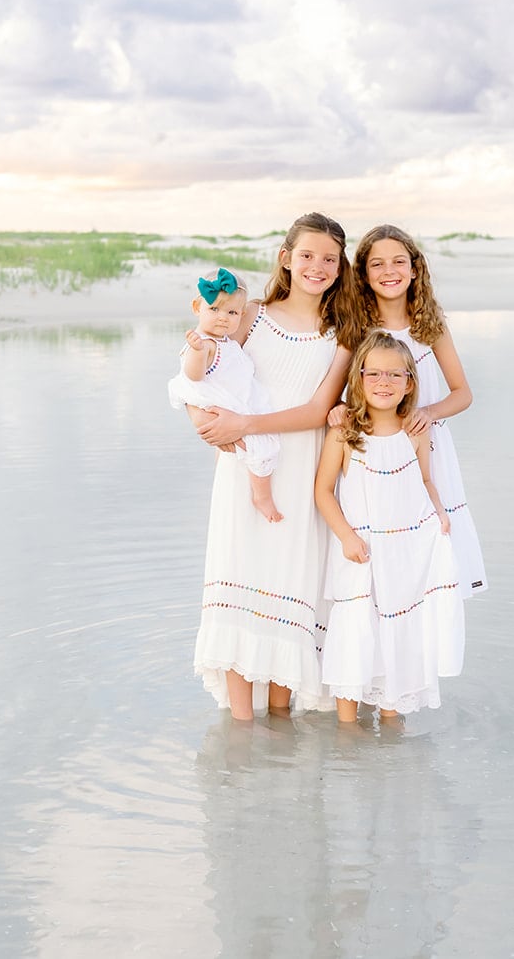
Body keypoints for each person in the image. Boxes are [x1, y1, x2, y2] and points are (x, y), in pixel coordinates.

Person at [190, 213, 354, 720]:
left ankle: (280, 720)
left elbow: (314, 410)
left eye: (329, 259)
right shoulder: (251, 315)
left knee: (290, 581)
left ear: (340, 267)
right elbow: (206, 377)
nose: (317, 267)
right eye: (307, 255)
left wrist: (245, 423)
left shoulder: (342, 332)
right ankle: (242, 725)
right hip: (246, 469)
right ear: (285, 257)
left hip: (301, 465)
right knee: (239, 576)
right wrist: (209, 426)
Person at [337, 224, 488, 600]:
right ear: (364, 274)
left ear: (415, 269)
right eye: (377, 264)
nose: (390, 271)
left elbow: (463, 393)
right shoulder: (358, 328)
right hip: (374, 452)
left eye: (399, 262)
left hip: (426, 446)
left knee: (431, 542)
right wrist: (338, 410)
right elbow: (342, 392)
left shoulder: (429, 326)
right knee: (381, 549)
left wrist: (430, 412)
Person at [315, 330, 460, 721]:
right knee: (355, 635)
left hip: (402, 554)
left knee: (398, 635)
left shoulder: (415, 430)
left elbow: (425, 482)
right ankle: (348, 737)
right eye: (374, 374)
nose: (384, 382)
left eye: (396, 375)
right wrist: (346, 537)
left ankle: (392, 741)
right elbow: (323, 491)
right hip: (358, 552)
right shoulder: (344, 432)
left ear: (410, 382)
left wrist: (440, 513)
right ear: (358, 379)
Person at [169, 267, 283, 522]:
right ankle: (262, 497)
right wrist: (196, 351)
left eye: (231, 312)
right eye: (214, 309)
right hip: (222, 406)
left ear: (241, 316)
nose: (223, 318)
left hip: (238, 404)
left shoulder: (226, 342)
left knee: (263, 445)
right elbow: (193, 375)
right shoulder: (204, 344)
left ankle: (259, 492)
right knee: (262, 448)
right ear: (197, 307)